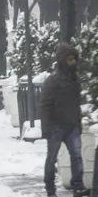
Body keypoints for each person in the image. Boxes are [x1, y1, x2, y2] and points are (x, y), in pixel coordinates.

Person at [41, 43, 88, 197]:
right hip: (56, 126)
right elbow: (45, 105)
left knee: (76, 156)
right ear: (62, 60)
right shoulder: (52, 81)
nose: (72, 62)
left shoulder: (75, 80)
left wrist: (78, 123)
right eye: (69, 59)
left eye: (73, 59)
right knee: (52, 158)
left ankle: (78, 186)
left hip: (72, 125)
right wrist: (46, 128)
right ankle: (50, 189)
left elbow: (76, 103)